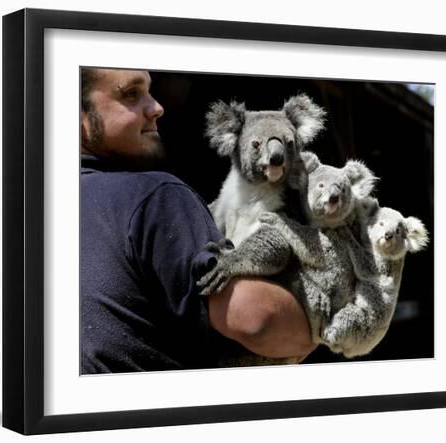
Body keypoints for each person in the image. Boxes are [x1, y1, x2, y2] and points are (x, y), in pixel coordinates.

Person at [80, 67, 316, 373]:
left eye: (150, 92)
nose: (156, 107)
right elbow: (257, 320)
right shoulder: (154, 196)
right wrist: (318, 318)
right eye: (130, 94)